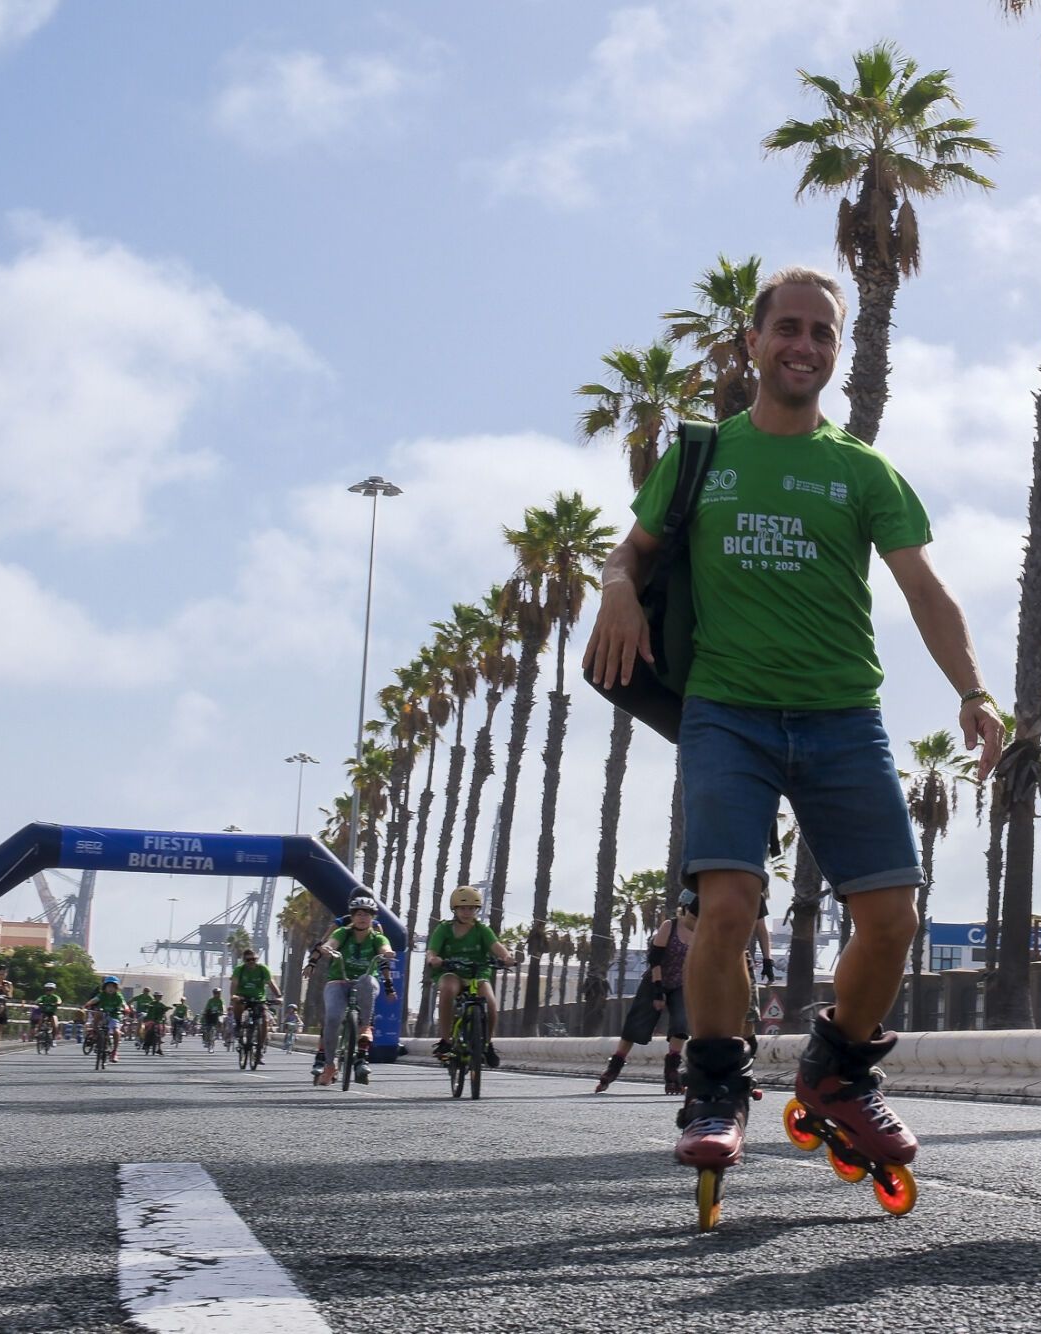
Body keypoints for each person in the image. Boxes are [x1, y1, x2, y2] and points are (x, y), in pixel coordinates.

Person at [584, 265, 1004, 1187]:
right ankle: (715, 1090)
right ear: (754, 342)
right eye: (788, 328)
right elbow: (634, 552)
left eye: (822, 333)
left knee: (892, 919)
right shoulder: (703, 456)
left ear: (836, 351)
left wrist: (973, 691)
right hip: (725, 715)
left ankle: (837, 1072)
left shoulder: (862, 470)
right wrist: (615, 588)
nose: (804, 346)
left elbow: (925, 590)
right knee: (727, 906)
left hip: (842, 716)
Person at [595, 905, 695, 1094]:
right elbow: (655, 959)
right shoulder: (670, 926)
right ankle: (613, 1068)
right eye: (693, 915)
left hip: (681, 984)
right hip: (655, 980)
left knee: (681, 1026)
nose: (696, 920)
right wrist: (658, 990)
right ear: (685, 910)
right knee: (635, 1026)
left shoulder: (702, 932)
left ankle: (672, 1071)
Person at [312, 894, 398, 1085]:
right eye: (358, 914)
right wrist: (327, 948)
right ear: (352, 916)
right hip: (338, 981)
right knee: (332, 1018)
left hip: (364, 984)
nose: (362, 918)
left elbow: (385, 947)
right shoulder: (342, 932)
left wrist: (387, 953)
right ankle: (329, 1065)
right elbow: (331, 943)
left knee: (366, 980)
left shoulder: (377, 937)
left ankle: (365, 1027)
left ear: (373, 917)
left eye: (366, 914)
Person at [425, 885, 515, 1065]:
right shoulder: (444, 929)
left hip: (477, 973)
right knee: (448, 990)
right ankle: (445, 1041)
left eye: (471, 908)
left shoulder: (482, 929)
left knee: (490, 1003)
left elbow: (496, 946)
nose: (467, 912)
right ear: (455, 909)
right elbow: (432, 951)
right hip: (452, 972)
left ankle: (487, 1044)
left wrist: (506, 957)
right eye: (463, 908)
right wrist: (434, 959)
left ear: (477, 910)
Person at [230, 949, 275, 1055]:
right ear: (244, 960)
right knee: (238, 1004)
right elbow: (234, 984)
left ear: (257, 959)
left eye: (253, 959)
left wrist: (279, 996)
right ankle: (238, 1024)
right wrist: (233, 995)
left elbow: (271, 983)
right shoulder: (239, 969)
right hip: (243, 996)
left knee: (264, 1019)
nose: (251, 962)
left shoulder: (263, 969)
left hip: (258, 998)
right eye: (248, 960)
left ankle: (260, 1048)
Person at [81, 977, 127, 1061]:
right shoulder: (102, 994)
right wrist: (87, 1004)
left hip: (114, 1015)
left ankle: (114, 1052)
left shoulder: (118, 996)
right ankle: (95, 1033)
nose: (110, 988)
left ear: (116, 988)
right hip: (103, 1013)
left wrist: (126, 1008)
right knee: (98, 1014)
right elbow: (94, 1000)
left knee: (116, 1031)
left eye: (113, 987)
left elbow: (124, 1003)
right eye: (108, 986)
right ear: (104, 987)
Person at [34, 983, 62, 1048]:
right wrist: (38, 1003)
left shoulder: (55, 997)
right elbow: (37, 1000)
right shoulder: (43, 997)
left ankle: (53, 1040)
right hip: (44, 1012)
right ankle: (38, 1033)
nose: (49, 991)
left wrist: (57, 1003)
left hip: (52, 1013)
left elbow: (59, 1001)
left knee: (55, 1025)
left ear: (53, 990)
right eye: (47, 989)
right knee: (40, 1019)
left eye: (50, 989)